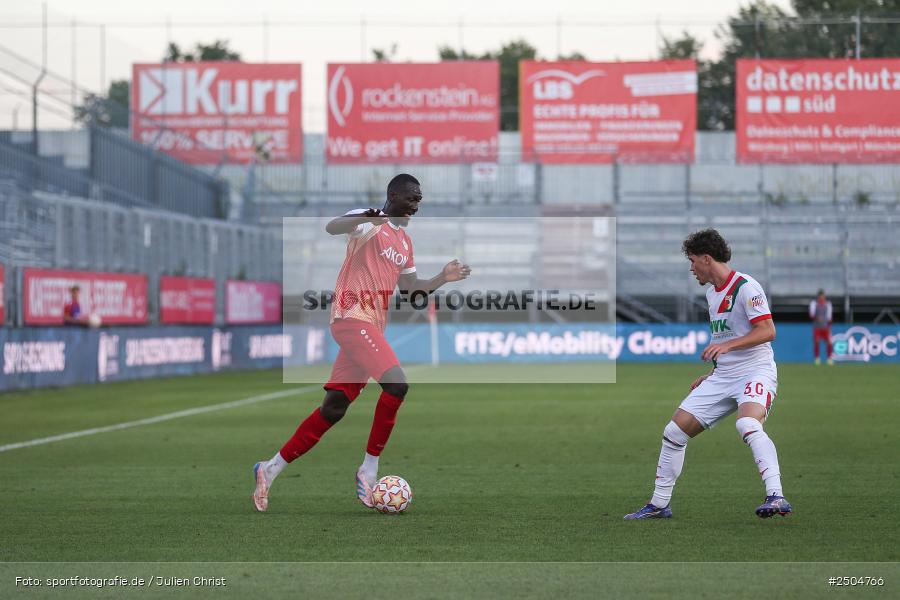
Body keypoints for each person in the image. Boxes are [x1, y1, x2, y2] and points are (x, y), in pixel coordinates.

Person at [251, 174, 471, 512]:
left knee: (334, 408)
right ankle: (369, 469)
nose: (416, 205)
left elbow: (411, 292)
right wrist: (365, 216)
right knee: (397, 385)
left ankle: (269, 468)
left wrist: (443, 277)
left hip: (372, 328)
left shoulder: (405, 243)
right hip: (352, 318)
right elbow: (332, 227)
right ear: (393, 195)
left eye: (419, 199)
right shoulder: (370, 221)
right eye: (411, 198)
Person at [624, 229, 792, 520]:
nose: (691, 269)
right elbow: (724, 337)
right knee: (674, 431)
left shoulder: (746, 287)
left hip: (756, 370)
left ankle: (776, 495)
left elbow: (768, 331)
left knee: (748, 423)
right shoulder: (712, 293)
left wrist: (727, 346)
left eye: (692, 261)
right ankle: (659, 504)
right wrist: (713, 373)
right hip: (724, 376)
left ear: (706, 258)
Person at [809, 289, 833, 365]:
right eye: (820, 296)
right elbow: (811, 315)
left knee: (829, 342)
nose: (822, 298)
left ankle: (829, 358)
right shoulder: (814, 304)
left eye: (823, 296)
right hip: (817, 327)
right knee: (816, 342)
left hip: (825, 327)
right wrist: (817, 318)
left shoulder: (828, 304)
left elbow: (829, 317)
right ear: (818, 296)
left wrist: (829, 328)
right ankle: (817, 358)